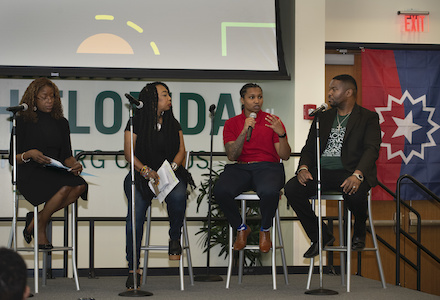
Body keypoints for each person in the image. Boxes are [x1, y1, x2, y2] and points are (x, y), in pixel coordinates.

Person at [284, 74, 381, 258]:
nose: (329, 93)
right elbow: (309, 148)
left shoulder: (368, 117)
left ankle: (360, 225)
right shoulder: (323, 117)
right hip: (322, 172)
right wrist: (303, 167)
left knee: (355, 192)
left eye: (334, 89)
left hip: (350, 171)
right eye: (329, 89)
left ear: (348, 92)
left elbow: (371, 149)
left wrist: (358, 174)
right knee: (292, 188)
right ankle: (320, 235)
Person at [123, 82, 192, 290]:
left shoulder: (173, 123)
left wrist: (171, 168)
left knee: (179, 195)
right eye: (164, 95)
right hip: (142, 174)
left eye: (169, 95)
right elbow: (129, 154)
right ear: (152, 101)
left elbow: (182, 151)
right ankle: (133, 268)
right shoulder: (135, 122)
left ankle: (174, 238)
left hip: (169, 175)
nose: (169, 99)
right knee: (134, 217)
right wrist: (145, 171)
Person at [9, 78, 87, 249]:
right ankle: (41, 227)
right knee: (65, 187)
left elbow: (67, 155)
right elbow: (12, 158)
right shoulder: (22, 121)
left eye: (52, 97)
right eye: (44, 97)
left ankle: (36, 221)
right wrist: (30, 154)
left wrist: (74, 164)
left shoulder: (61, 123)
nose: (49, 101)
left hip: (54, 170)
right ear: (33, 99)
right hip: (30, 172)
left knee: (80, 185)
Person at [213, 83, 291, 253]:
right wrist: (244, 131)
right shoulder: (232, 124)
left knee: (270, 191)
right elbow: (232, 155)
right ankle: (241, 228)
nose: (257, 101)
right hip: (241, 168)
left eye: (260, 97)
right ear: (242, 100)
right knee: (220, 190)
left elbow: (284, 155)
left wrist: (281, 134)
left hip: (268, 168)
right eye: (252, 97)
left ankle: (265, 230)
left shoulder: (273, 121)